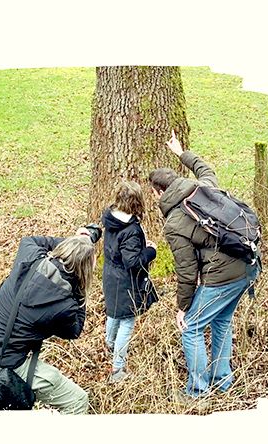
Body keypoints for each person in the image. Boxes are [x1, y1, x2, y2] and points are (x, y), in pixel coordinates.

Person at [149, 132, 259, 398]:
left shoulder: (174, 223)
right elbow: (204, 168)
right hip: (249, 265)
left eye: (154, 194)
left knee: (192, 328)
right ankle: (223, 382)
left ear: (160, 192)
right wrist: (180, 152)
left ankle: (197, 392)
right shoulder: (205, 187)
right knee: (222, 320)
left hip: (222, 277)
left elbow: (187, 272)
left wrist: (182, 308)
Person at [0, 226, 101, 414]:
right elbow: (75, 330)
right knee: (78, 401)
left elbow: (30, 239)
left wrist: (74, 241)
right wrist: (82, 289)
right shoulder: (65, 306)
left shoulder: (29, 255)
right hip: (5, 363)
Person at [101, 180, 158, 382]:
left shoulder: (110, 220)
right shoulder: (131, 229)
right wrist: (151, 251)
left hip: (110, 275)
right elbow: (132, 262)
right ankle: (118, 369)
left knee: (113, 313)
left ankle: (110, 344)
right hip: (126, 282)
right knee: (126, 320)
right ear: (137, 203)